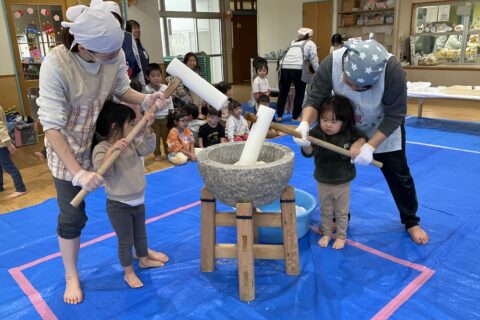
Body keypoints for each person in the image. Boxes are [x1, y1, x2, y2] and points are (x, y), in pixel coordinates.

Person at [36, 3, 168, 304]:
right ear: (83, 46)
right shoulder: (57, 64)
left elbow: (122, 89)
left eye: (115, 53)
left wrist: (148, 99)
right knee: (72, 216)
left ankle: (142, 253)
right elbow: (52, 128)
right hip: (66, 148)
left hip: (105, 141)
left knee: (130, 200)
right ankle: (72, 274)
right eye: (107, 54)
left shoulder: (115, 53)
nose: (113, 58)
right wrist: (78, 171)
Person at [296, 39, 429, 245]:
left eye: (362, 87)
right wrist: (305, 123)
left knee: (399, 174)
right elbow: (315, 99)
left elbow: (395, 115)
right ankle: (338, 219)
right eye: (350, 83)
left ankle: (411, 220)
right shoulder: (332, 63)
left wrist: (369, 145)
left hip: (382, 125)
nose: (355, 88)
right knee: (334, 171)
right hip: (344, 125)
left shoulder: (392, 70)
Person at [92, 102, 165, 288]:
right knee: (126, 240)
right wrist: (112, 151)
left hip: (138, 199)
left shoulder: (130, 142)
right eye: (130, 123)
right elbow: (103, 173)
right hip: (119, 205)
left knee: (141, 234)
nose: (133, 127)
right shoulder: (101, 148)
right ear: (115, 127)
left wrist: (148, 131)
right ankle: (128, 272)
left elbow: (146, 149)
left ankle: (143, 258)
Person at [300, 95, 367, 249]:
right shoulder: (317, 133)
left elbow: (362, 138)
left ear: (343, 122)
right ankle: (327, 233)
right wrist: (305, 144)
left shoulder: (349, 132)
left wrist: (357, 145)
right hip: (323, 179)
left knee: (341, 212)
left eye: (334, 121)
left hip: (343, 181)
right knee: (325, 209)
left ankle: (341, 236)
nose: (328, 125)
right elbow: (309, 152)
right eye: (324, 120)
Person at [276, 27, 319, 122]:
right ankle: (295, 117)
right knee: (299, 93)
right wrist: (319, 73)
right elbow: (314, 61)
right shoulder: (311, 43)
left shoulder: (293, 42)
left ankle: (279, 116)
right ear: (310, 36)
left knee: (283, 92)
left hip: (284, 67)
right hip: (298, 68)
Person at [144, 63, 174, 161]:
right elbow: (145, 104)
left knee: (167, 136)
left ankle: (168, 152)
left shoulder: (165, 88)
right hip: (154, 118)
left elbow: (170, 101)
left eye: (158, 75)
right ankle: (157, 154)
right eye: (153, 76)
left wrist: (171, 111)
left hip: (165, 117)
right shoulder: (146, 89)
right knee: (155, 138)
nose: (156, 78)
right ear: (147, 77)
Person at [0, 105, 27, 199]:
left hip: (1, 144)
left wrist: (8, 144)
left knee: (8, 166)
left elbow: (1, 128)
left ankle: (20, 189)